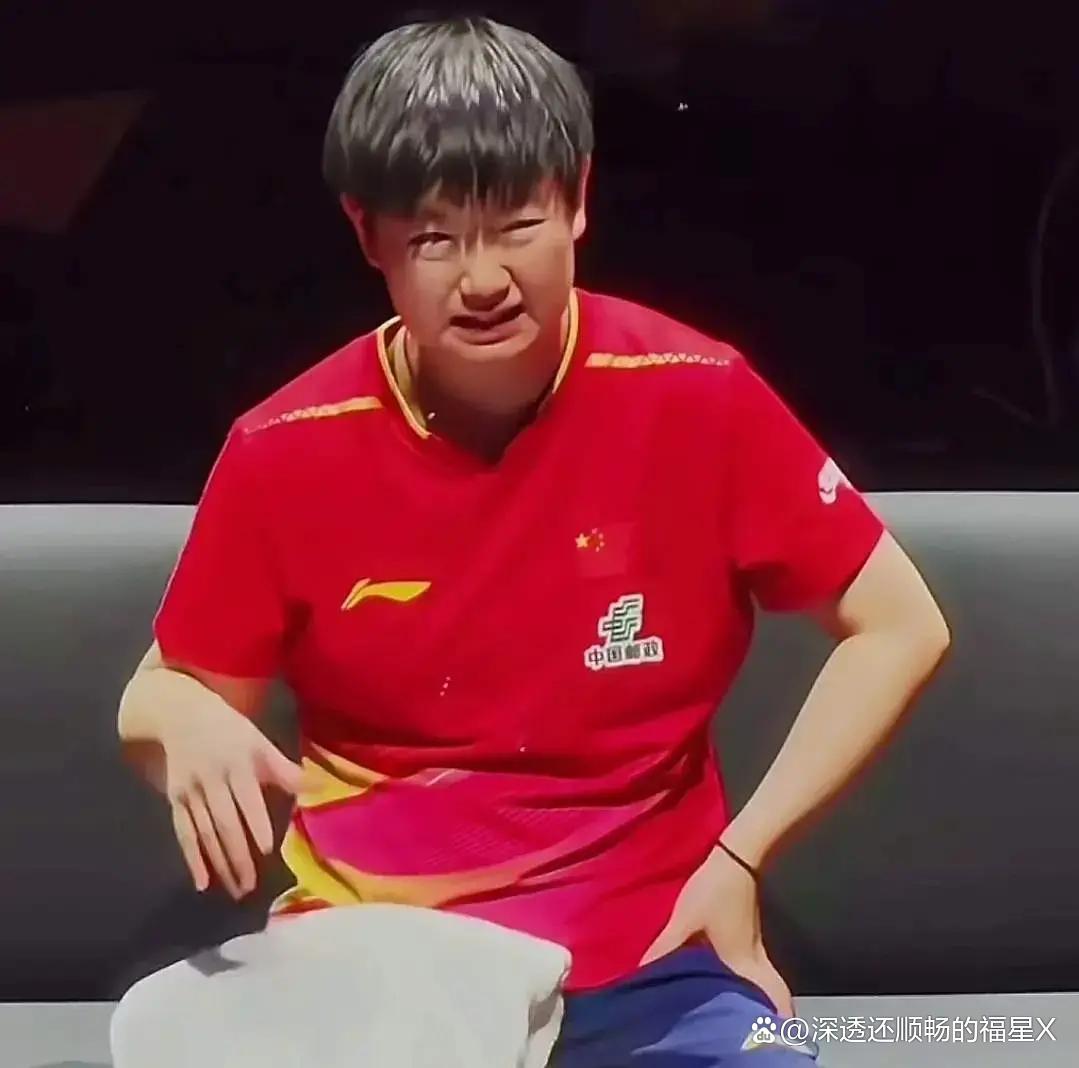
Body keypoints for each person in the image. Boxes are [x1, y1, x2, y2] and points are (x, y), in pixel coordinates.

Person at [116, 15, 950, 1066]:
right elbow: (157, 696)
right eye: (434, 239)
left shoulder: (696, 397)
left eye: (516, 224)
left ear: (577, 200)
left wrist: (740, 859)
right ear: (368, 234)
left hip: (651, 954)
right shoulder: (283, 448)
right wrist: (182, 720)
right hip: (379, 960)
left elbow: (899, 625)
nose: (483, 279)